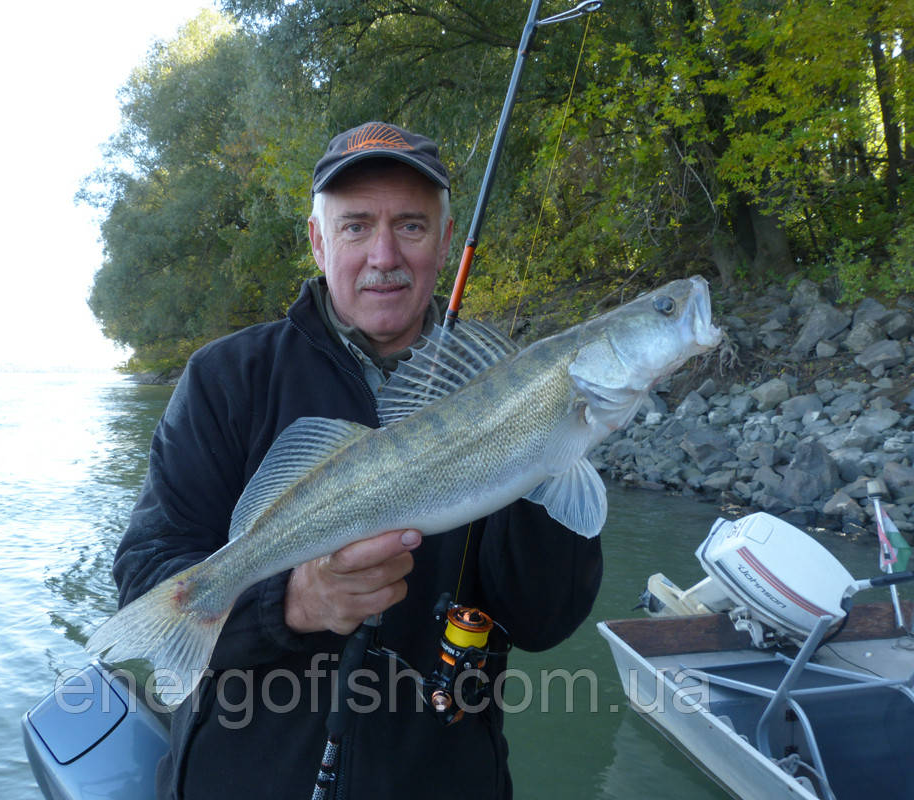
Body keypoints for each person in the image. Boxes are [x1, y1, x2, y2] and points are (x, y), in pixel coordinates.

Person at [111, 121, 603, 800]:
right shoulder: (227, 379)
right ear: (317, 241)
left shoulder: (506, 382)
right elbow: (144, 575)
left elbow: (545, 621)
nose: (382, 255)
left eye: (409, 225)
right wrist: (290, 603)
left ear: (444, 240)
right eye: (353, 227)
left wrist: (553, 450)